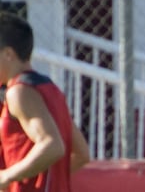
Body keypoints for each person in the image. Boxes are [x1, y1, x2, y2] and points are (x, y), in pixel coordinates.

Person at [0, 11, 90, 191]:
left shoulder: (18, 92)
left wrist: (8, 176)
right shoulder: (51, 89)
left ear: (9, 54)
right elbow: (82, 154)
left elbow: (52, 145)